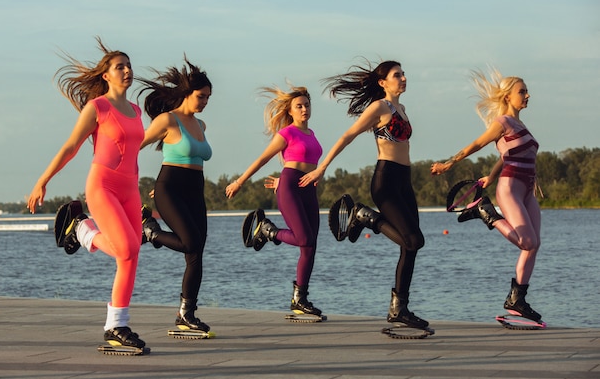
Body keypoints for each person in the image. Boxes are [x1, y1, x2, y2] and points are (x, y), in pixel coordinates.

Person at [26, 37, 146, 350]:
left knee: (132, 256)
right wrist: (43, 179)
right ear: (106, 75)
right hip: (102, 186)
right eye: (119, 67)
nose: (126, 70)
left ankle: (116, 326)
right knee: (127, 249)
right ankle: (82, 229)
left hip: (130, 189)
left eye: (129, 66)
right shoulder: (98, 107)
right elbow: (71, 146)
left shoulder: (135, 110)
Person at [299, 59, 429, 329]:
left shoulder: (401, 109)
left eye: (404, 74)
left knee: (412, 247)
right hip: (386, 182)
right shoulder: (379, 107)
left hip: (405, 183)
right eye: (397, 75)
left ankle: (399, 309)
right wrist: (322, 167)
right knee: (413, 240)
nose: (403, 78)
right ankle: (366, 216)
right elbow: (348, 135)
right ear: (383, 82)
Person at [430, 68, 542, 322]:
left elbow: (506, 155)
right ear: (507, 97)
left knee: (534, 246)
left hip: (527, 190)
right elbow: (476, 145)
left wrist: (489, 177)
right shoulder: (502, 122)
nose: (527, 95)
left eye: (526, 91)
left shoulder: (521, 124)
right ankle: (486, 213)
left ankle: (517, 301)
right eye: (522, 92)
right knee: (527, 242)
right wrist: (449, 163)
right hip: (511, 187)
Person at [225, 85, 324, 317]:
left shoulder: (312, 134)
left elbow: (311, 162)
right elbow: (263, 159)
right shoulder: (287, 134)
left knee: (310, 247)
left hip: (308, 188)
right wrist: (240, 181)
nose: (304, 109)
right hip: (289, 185)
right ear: (290, 111)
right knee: (303, 238)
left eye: (307, 105)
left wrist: (315, 177)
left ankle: (300, 299)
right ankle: (269, 231)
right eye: (299, 106)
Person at [137, 57, 213, 333]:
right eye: (201, 96)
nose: (205, 102)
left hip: (195, 188)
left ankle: (186, 315)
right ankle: (151, 232)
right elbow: (136, 145)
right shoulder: (167, 120)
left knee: (196, 253)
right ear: (187, 94)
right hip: (169, 187)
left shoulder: (201, 126)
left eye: (207, 98)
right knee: (190, 242)